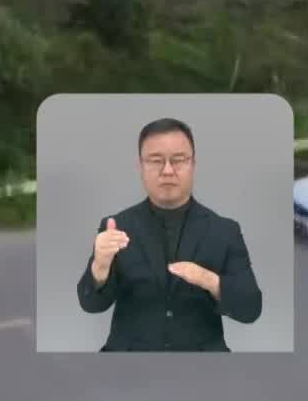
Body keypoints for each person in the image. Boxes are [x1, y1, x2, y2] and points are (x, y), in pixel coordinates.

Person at [75, 117, 264, 351]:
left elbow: (251, 309)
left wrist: (209, 280)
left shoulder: (225, 230)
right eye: (155, 161)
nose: (167, 170)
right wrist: (100, 269)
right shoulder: (116, 227)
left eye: (178, 160)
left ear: (193, 164)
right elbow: (90, 304)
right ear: (141, 167)